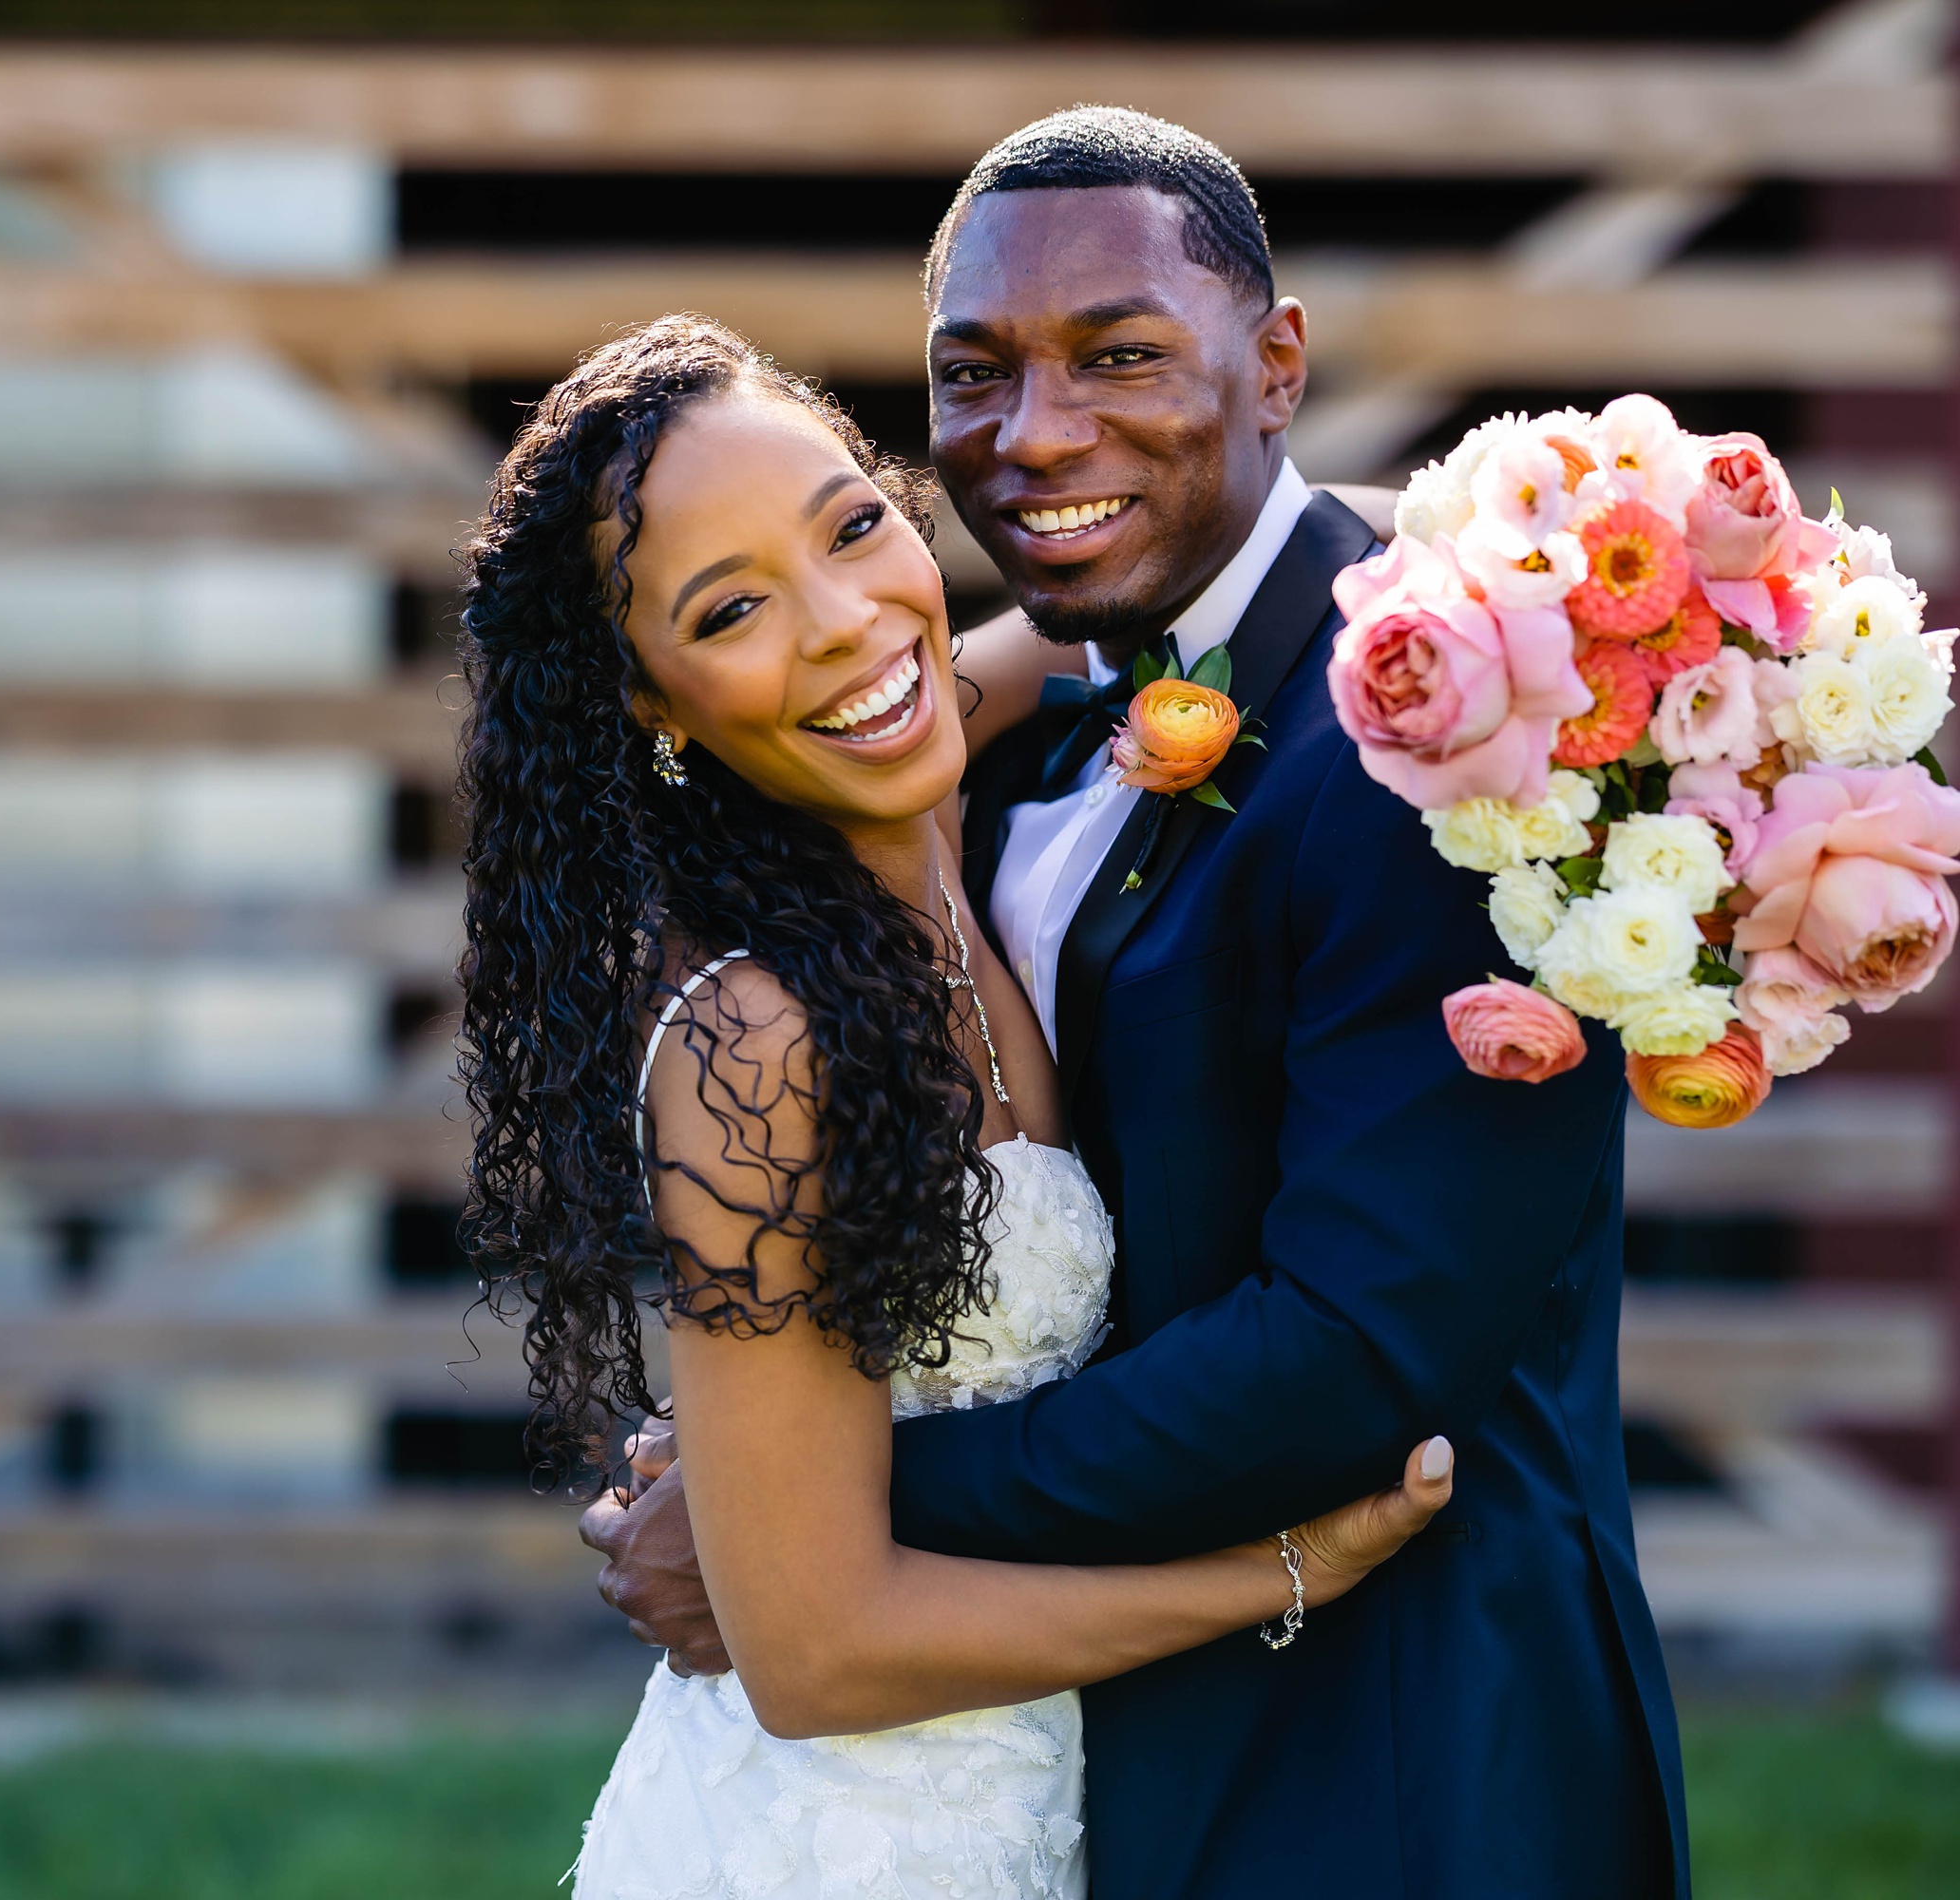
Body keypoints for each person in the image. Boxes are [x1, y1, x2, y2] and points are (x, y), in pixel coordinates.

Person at [580, 108, 1689, 1900]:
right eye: (974, 374)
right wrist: (789, 1516)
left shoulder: (1454, 747)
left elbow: (1350, 1358)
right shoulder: (987, 746)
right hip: (1083, 1740)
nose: (1038, 435)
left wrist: (799, 1517)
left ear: (1278, 365)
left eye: (1120, 357)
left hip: (1407, 1751)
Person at [455, 308, 1456, 1900]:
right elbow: (817, 1652)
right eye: (731, 614)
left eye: (853, 527)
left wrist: (1577, 542)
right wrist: (1277, 1572)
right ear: (654, 709)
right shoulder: (758, 1042)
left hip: (1058, 1804)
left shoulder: (957, 789)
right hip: (846, 1842)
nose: (847, 624)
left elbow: (1240, 566)